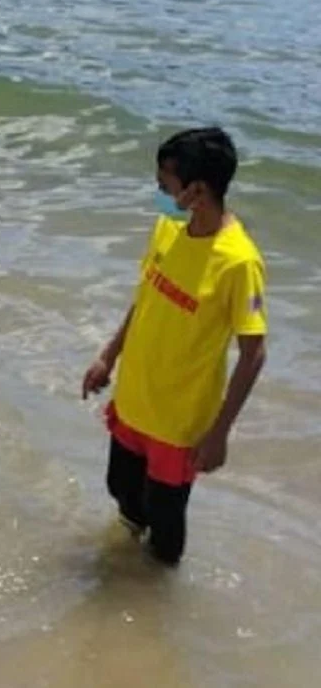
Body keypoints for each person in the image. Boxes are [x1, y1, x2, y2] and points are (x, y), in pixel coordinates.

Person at [81, 127, 267, 566]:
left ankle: (156, 600)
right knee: (121, 490)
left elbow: (254, 353)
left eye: (165, 181)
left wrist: (219, 433)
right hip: (134, 398)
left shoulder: (238, 261)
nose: (159, 189)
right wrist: (108, 355)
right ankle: (124, 568)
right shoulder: (167, 230)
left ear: (197, 190)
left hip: (179, 422)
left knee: (166, 521)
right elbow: (143, 300)